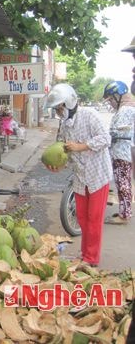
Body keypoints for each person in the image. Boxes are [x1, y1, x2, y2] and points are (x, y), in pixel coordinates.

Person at [44, 83, 112, 267]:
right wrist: (58, 165)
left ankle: (91, 259)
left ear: (69, 102)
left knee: (94, 219)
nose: (58, 112)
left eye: (59, 108)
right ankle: (85, 254)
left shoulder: (89, 115)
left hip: (98, 175)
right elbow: (64, 152)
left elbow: (106, 138)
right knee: (82, 218)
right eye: (57, 109)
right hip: (80, 177)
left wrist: (81, 146)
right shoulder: (64, 126)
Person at [102, 81, 135, 225]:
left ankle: (124, 216)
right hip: (119, 152)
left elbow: (122, 130)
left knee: (123, 184)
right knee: (122, 183)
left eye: (111, 99)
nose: (110, 103)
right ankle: (124, 212)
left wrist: (109, 134)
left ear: (118, 96)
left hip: (123, 153)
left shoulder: (126, 110)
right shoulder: (124, 109)